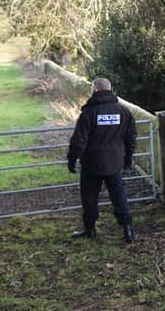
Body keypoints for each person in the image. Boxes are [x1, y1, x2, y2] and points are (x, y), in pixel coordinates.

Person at [67, 78, 137, 243]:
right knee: (119, 195)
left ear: (95, 90)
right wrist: (128, 159)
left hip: (92, 164)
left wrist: (72, 159)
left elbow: (78, 140)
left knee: (89, 197)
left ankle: (90, 229)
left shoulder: (89, 113)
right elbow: (131, 138)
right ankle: (128, 229)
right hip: (115, 163)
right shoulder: (123, 112)